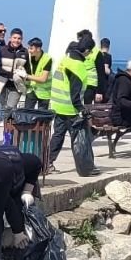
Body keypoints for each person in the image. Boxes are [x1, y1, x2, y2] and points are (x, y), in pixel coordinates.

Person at [48, 42, 99, 176]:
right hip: (71, 109)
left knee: (58, 136)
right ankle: (85, 167)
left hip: (58, 106)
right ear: (85, 51)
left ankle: (47, 163)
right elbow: (75, 93)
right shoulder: (77, 66)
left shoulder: (64, 61)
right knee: (79, 140)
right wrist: (81, 109)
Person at [0, 28, 28, 112]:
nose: (16, 40)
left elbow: (28, 70)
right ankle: (5, 123)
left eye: (19, 38)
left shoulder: (25, 52)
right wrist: (10, 75)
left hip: (17, 85)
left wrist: (22, 75)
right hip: (2, 83)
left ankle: (8, 123)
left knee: (11, 107)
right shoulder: (2, 50)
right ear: (10, 38)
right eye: (14, 38)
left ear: (22, 39)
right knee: (3, 106)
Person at [22, 38, 52, 110]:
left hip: (44, 92)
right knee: (27, 114)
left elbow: (43, 79)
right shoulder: (29, 57)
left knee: (41, 117)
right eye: (29, 48)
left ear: (38, 49)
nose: (29, 51)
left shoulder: (47, 59)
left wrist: (26, 76)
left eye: (31, 48)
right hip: (32, 89)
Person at [76, 32, 100, 104]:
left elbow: (100, 73)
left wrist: (99, 91)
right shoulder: (77, 50)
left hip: (90, 84)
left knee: (87, 106)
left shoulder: (96, 53)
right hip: (80, 83)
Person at [96, 38, 113, 102]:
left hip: (97, 83)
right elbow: (105, 69)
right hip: (104, 84)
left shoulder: (97, 55)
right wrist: (112, 74)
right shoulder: (107, 56)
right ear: (109, 46)